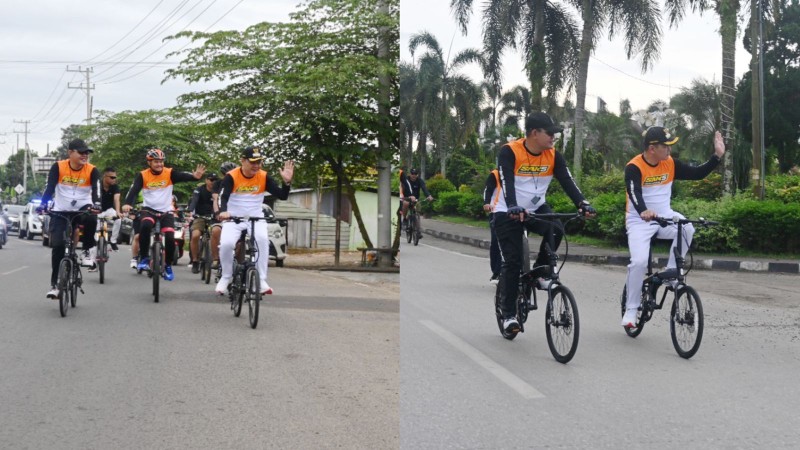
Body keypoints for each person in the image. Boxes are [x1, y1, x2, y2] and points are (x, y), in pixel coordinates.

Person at [494, 112, 596, 334]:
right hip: (507, 211)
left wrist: (582, 203)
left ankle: (540, 272)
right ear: (534, 133)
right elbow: (506, 180)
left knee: (556, 227)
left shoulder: (553, 155)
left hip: (536, 208)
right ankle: (509, 315)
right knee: (512, 262)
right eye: (550, 133)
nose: (553, 137)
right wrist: (512, 205)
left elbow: (567, 180)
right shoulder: (509, 151)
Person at [621, 127, 725, 327]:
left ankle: (671, 271)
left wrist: (716, 157)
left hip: (665, 216)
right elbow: (633, 193)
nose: (670, 150)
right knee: (639, 262)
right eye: (666, 146)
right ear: (652, 148)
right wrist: (643, 210)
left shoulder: (670, 163)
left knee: (687, 228)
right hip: (639, 221)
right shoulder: (634, 166)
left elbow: (697, 173)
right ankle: (631, 309)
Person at [215, 147, 293, 295]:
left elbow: (282, 195)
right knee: (226, 244)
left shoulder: (263, 176)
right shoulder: (231, 176)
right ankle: (226, 277)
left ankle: (261, 280)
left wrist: (287, 183)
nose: (256, 166)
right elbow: (223, 197)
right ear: (242, 161)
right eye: (253, 162)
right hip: (233, 219)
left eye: (259, 162)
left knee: (263, 240)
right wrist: (223, 211)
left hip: (256, 219)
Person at [122, 148, 205, 281]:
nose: (159, 164)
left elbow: (183, 176)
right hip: (149, 209)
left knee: (171, 237)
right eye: (156, 162)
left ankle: (167, 265)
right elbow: (133, 191)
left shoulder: (169, 173)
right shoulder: (143, 175)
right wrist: (127, 203)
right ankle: (144, 258)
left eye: (161, 161)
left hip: (166, 211)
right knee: (145, 227)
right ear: (149, 162)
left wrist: (194, 177)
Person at [38, 139, 101, 299]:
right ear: (70, 152)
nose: (85, 155)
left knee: (92, 219)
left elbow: (96, 190)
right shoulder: (58, 167)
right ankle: (55, 285)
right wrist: (44, 204)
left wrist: (97, 204)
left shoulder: (92, 170)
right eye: (81, 152)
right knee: (58, 246)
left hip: (82, 207)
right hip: (61, 209)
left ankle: (87, 252)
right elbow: (50, 187)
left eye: (87, 153)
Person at [187, 172, 219, 273]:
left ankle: (216, 260)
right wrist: (190, 210)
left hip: (214, 218)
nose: (213, 182)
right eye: (211, 180)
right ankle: (195, 261)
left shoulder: (218, 190)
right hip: (199, 216)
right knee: (195, 235)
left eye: (215, 180)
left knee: (218, 233)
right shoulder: (199, 189)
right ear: (206, 180)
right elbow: (194, 200)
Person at [483, 169, 502, 284]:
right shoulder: (495, 174)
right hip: (496, 211)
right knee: (496, 241)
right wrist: (486, 203)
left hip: (515, 212)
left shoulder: (519, 173)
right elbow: (488, 190)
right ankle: (496, 272)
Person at [399, 168, 433, 234]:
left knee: (417, 210)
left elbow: (424, 188)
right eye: (412, 174)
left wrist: (429, 196)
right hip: (407, 197)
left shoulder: (419, 180)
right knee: (406, 204)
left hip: (416, 199)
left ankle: (417, 229)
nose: (414, 175)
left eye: (415, 174)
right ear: (410, 174)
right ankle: (405, 219)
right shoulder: (406, 179)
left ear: (417, 175)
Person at [99, 167, 122, 252]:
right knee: (93, 229)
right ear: (105, 176)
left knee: (118, 219)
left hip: (108, 210)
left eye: (115, 177)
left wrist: (118, 212)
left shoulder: (115, 187)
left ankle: (113, 241)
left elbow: (117, 199)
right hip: (96, 211)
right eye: (112, 177)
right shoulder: (97, 185)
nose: (114, 179)